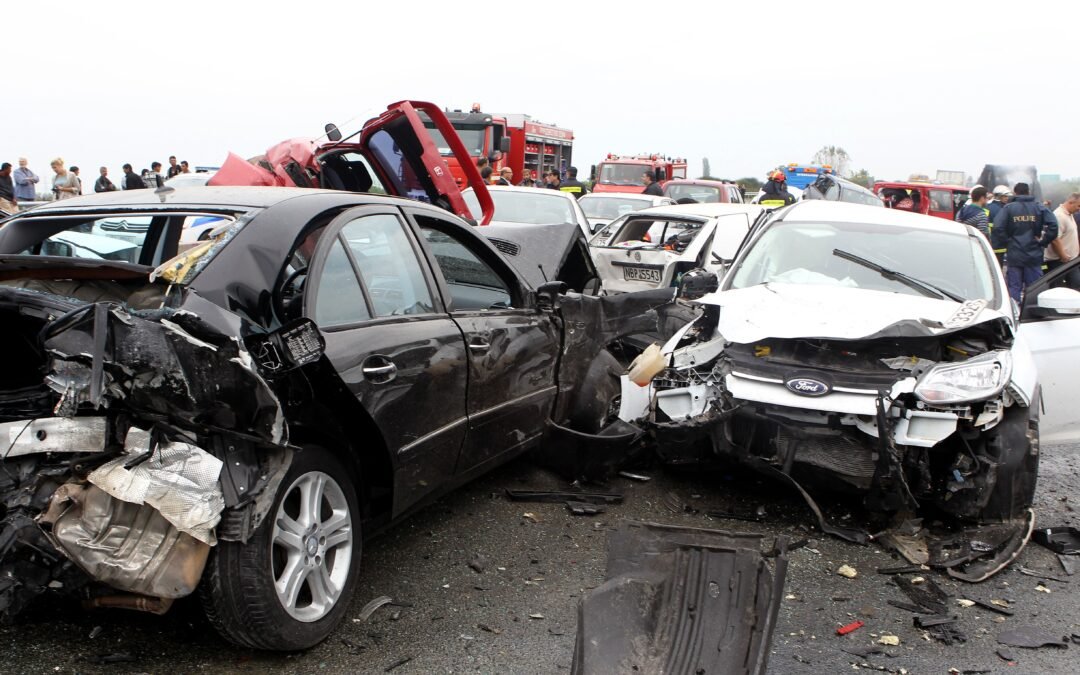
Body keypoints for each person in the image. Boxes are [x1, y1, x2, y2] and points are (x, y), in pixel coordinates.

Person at [992, 182, 1057, 302]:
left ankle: (1014, 313)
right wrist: (1043, 242)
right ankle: (1032, 315)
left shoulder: (1008, 208)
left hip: (1014, 255)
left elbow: (997, 227)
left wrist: (1008, 241)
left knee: (1014, 287)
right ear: (1028, 192)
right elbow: (1054, 225)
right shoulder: (1039, 207)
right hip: (1033, 255)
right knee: (1034, 289)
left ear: (1015, 193)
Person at [1046, 192, 1080, 288]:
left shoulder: (1069, 214)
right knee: (1058, 287)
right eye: (1078, 206)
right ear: (1071, 202)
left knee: (1076, 285)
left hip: (1071, 260)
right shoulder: (1059, 216)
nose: (1079, 209)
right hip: (1060, 261)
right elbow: (1055, 239)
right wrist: (1063, 255)